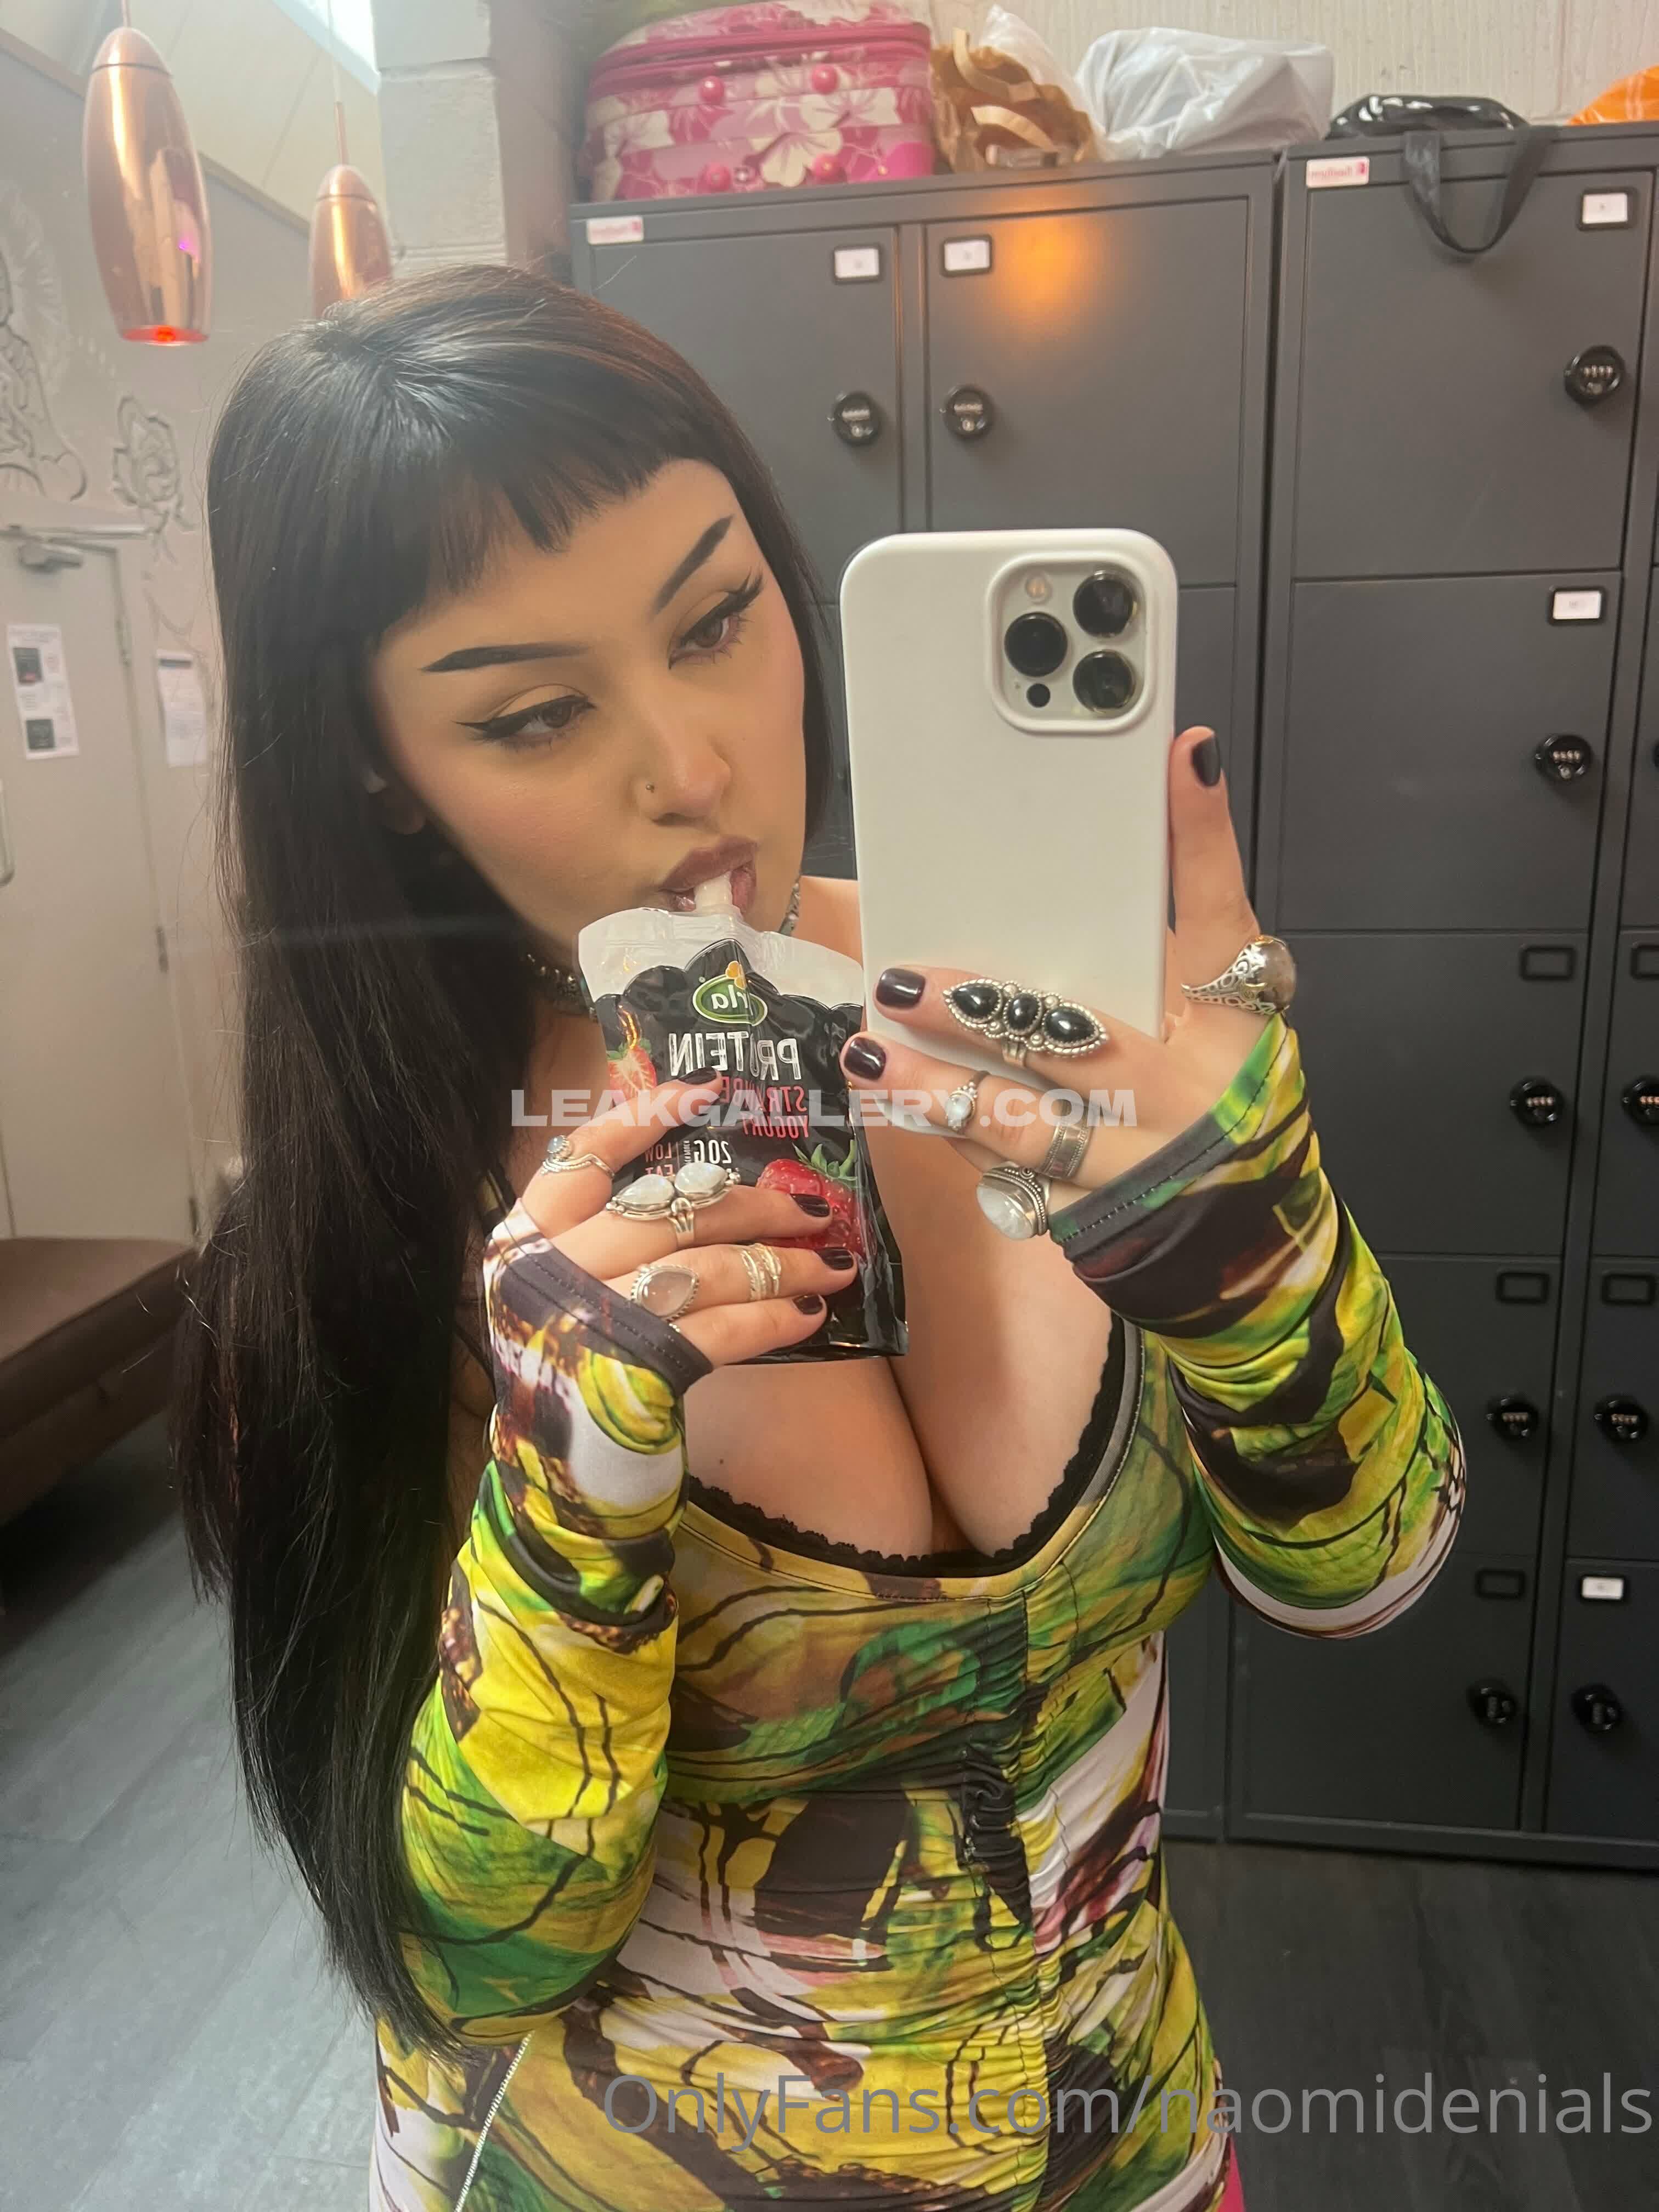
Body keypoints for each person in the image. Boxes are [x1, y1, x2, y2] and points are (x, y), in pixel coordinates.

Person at [173, 265, 1465, 2212]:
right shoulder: (377, 1225)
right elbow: (468, 1957)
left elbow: (1364, 1577)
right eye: (534, 713)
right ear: (379, 770)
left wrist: (1260, 1248)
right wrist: (565, 1498)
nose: (692, 768)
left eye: (718, 620)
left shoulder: (1072, 1021)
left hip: (1124, 2143)